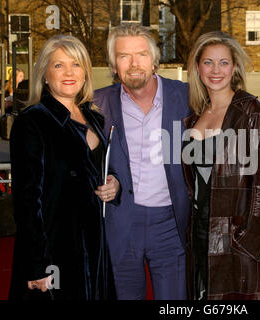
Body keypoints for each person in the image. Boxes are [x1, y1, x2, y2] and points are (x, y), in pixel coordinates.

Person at [8, 35, 119, 300]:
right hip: (55, 251)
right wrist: (37, 265)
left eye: (76, 64)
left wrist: (114, 183)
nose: (69, 72)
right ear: (45, 74)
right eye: (58, 65)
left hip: (95, 248)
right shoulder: (32, 123)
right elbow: (26, 202)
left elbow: (100, 170)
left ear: (85, 72)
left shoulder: (95, 117)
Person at [93, 24, 191, 300]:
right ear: (113, 65)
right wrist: (107, 180)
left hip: (171, 225)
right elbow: (86, 162)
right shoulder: (98, 104)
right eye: (124, 56)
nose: (134, 63)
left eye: (141, 54)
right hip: (121, 223)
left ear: (154, 60)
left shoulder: (185, 97)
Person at [182, 31, 260, 300]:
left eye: (223, 62)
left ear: (234, 68)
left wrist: (246, 239)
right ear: (197, 68)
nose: (215, 70)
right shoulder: (195, 116)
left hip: (234, 237)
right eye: (208, 62)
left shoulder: (250, 110)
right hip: (198, 232)